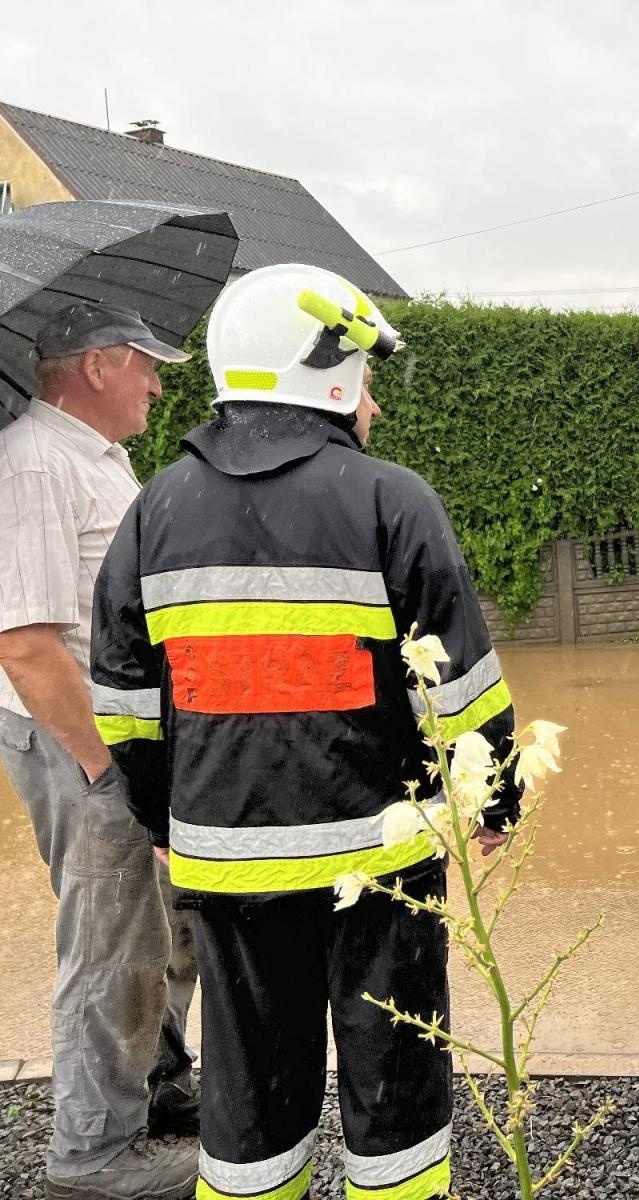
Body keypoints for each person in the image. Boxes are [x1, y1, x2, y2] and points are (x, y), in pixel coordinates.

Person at [91, 264, 519, 1200]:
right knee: (393, 1095)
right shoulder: (391, 501)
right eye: (364, 379)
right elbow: (462, 686)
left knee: (246, 1102)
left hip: (227, 867)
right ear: (322, 369)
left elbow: (123, 700)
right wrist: (494, 802)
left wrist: (167, 820)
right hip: (380, 863)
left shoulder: (153, 510)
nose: (372, 405)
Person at [0, 301, 200, 1200]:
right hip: (79, 744)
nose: (160, 381)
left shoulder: (96, 460)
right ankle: (92, 1156)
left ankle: (156, 1093)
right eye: (146, 363)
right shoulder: (33, 464)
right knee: (112, 942)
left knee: (165, 929)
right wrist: (103, 767)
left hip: (123, 741)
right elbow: (24, 644)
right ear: (95, 367)